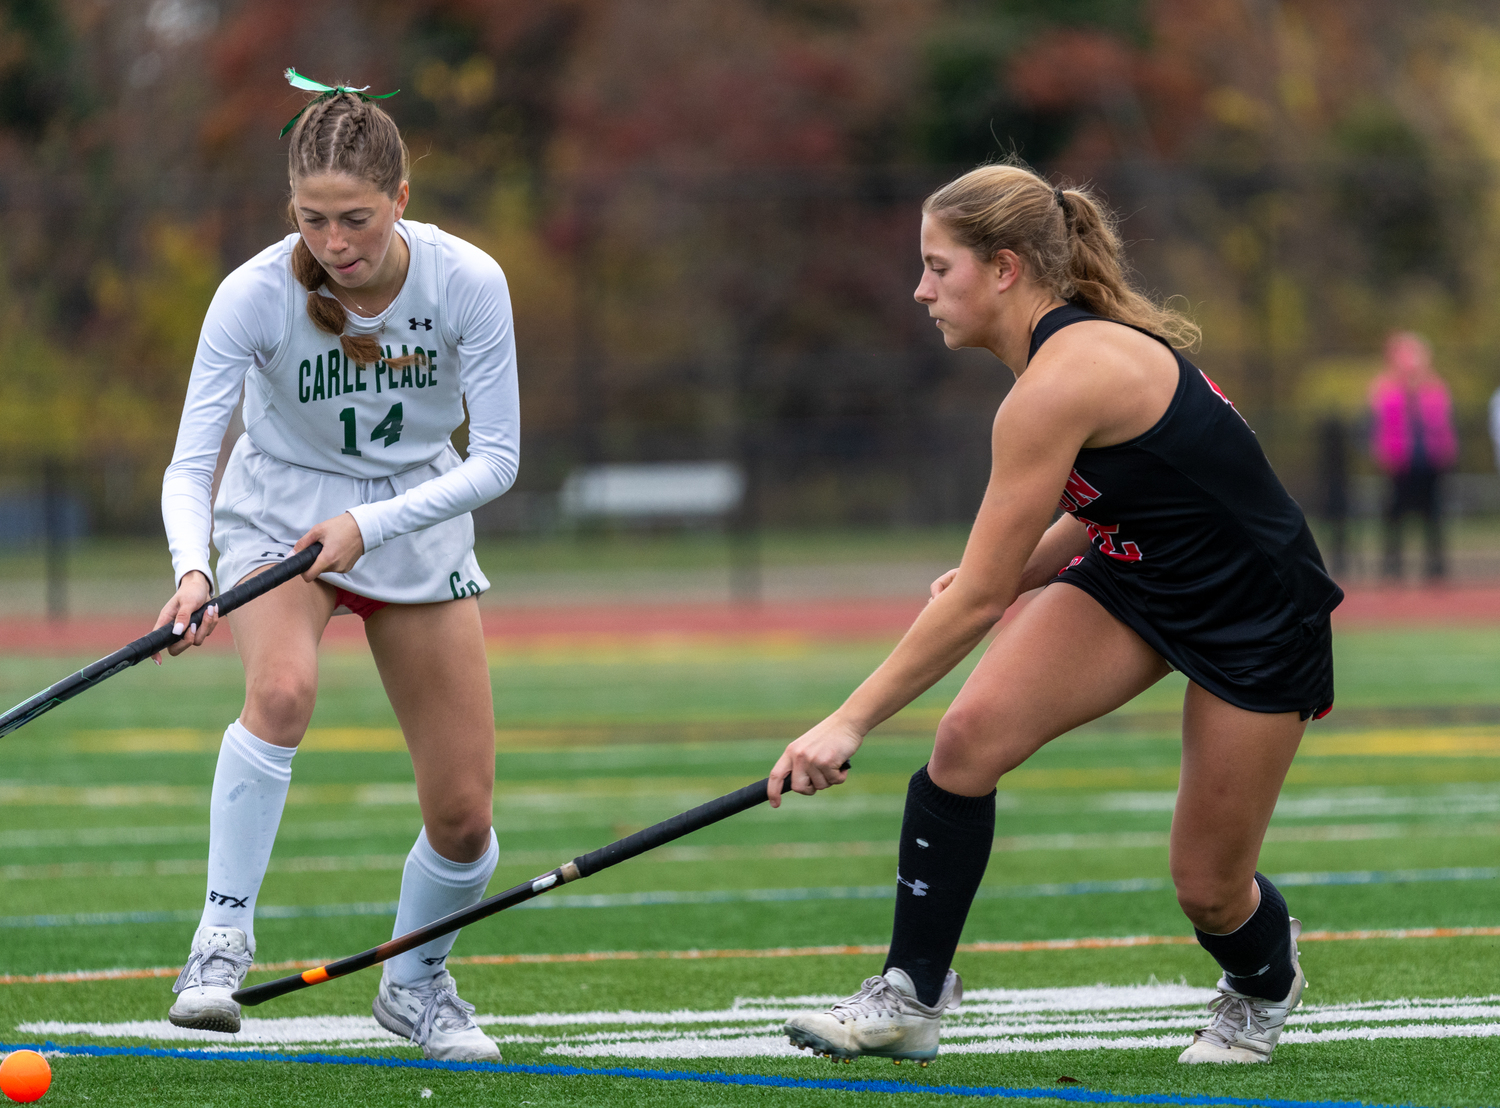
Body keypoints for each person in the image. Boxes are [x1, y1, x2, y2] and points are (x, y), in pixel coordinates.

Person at [768, 163, 1342, 1066]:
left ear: (1003, 269)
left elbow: (980, 604)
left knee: (1208, 887)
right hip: (1135, 576)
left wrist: (845, 721)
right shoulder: (1057, 363)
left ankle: (1264, 983)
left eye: (936, 267)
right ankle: (911, 996)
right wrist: (1011, 571)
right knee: (966, 744)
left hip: (1258, 613)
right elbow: (1123, 498)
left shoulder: (1058, 382)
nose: (920, 291)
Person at [153, 71, 519, 1062]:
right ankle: (217, 943)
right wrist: (194, 572)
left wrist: (371, 520)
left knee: (464, 813)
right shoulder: (254, 294)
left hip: (415, 515)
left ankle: (414, 983)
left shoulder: (467, 283)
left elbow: (498, 460)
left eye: (356, 219)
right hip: (277, 513)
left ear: (402, 198)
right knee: (280, 692)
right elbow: (191, 465)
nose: (335, 245)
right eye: (312, 221)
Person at [1369, 332, 1457, 581]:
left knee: (1434, 515)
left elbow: (1444, 424)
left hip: (1430, 462)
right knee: (1394, 516)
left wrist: (1446, 451)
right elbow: (1380, 426)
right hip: (1400, 463)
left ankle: (1435, 567)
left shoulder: (1435, 388)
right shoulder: (1387, 390)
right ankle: (1392, 567)